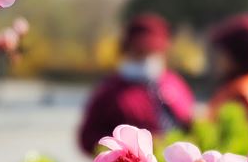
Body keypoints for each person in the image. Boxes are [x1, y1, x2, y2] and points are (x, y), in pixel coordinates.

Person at [78, 14, 195, 154]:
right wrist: (125, 151)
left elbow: (190, 122)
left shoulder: (175, 83)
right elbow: (87, 138)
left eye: (152, 52)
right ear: (127, 50)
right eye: (140, 52)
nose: (146, 58)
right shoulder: (109, 92)